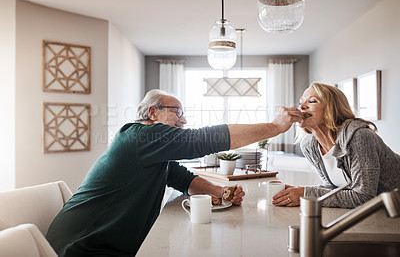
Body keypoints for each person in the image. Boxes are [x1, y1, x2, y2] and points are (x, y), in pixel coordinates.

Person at [46, 89, 302, 256]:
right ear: (152, 112)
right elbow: (201, 140)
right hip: (81, 248)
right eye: (177, 112)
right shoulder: (141, 136)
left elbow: (182, 178)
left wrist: (221, 192)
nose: (183, 120)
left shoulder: (149, 150)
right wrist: (274, 127)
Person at [272, 83, 400, 209]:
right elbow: (333, 187)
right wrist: (300, 191)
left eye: (312, 101)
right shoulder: (309, 146)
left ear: (331, 109)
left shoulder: (358, 137)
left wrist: (305, 194)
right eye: (301, 102)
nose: (302, 107)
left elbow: (364, 197)